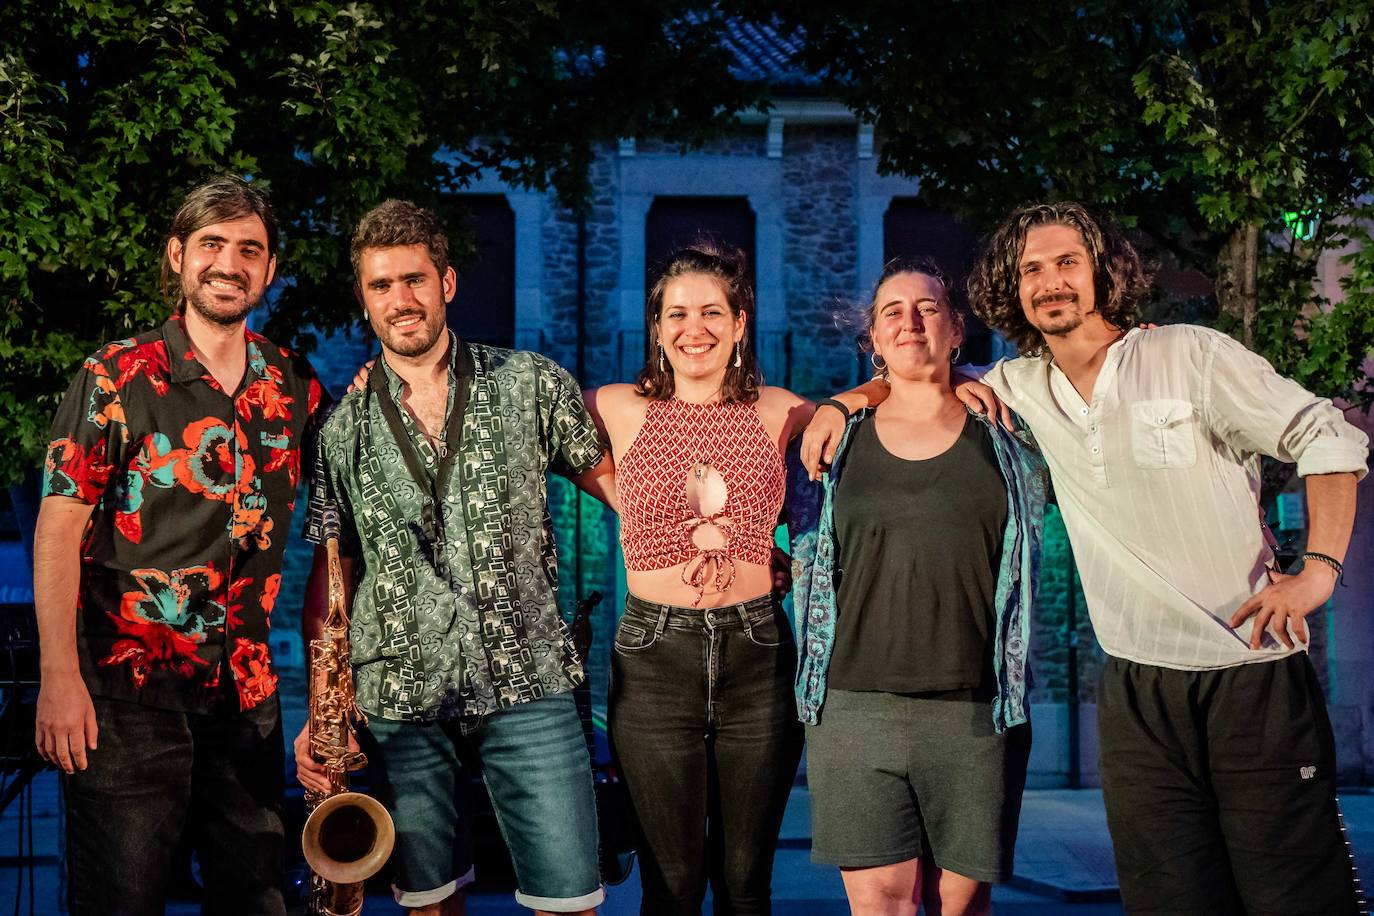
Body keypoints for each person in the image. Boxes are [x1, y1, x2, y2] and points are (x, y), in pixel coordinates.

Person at [804, 202, 1369, 914]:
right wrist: (846, 400)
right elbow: (919, 372)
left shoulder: (1188, 354)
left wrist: (1319, 569)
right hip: (1134, 690)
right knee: (1167, 898)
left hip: (1249, 676)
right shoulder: (1017, 389)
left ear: (1104, 270)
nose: (1049, 282)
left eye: (1066, 262)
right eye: (1030, 269)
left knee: (1295, 896)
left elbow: (1328, 436)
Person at [583, 243, 1002, 914]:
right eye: (678, 314)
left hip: (757, 655)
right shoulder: (613, 406)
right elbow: (528, 424)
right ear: (657, 326)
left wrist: (964, 375)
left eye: (714, 312)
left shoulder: (782, 411)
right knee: (672, 884)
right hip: (654, 658)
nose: (696, 329)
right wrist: (616, 493)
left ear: (741, 322)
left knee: (748, 883)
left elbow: (888, 392)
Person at [294, 199, 614, 916]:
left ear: (447, 283)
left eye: (414, 280)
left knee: (572, 903)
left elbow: (622, 490)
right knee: (429, 904)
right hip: (399, 696)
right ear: (363, 299)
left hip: (529, 678)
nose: (400, 300)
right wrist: (324, 711)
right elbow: (331, 578)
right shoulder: (337, 428)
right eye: (381, 286)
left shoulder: (530, 381)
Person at [33, 175, 326, 915]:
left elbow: (336, 522)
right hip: (125, 696)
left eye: (249, 250)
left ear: (268, 270)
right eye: (212, 245)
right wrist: (58, 678)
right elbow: (58, 529)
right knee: (122, 902)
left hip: (249, 697)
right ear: (177, 255)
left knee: (258, 901)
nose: (230, 263)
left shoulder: (296, 384)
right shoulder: (114, 376)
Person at [787, 259, 1045, 916]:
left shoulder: (1010, 434)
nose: (910, 321)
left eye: (928, 307)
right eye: (892, 311)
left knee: (958, 908)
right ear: (873, 339)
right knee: (882, 907)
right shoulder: (834, 440)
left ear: (958, 330)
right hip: (854, 707)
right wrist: (846, 400)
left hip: (975, 711)